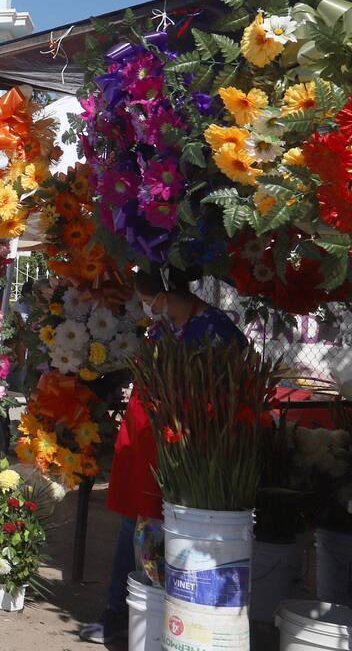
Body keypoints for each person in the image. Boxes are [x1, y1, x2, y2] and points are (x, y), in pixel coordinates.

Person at [80, 266, 245, 644]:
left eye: (148, 301)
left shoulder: (217, 329)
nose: (148, 309)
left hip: (192, 454)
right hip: (149, 446)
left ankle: (171, 620)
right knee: (134, 527)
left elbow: (231, 385)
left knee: (177, 533)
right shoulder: (159, 331)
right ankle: (120, 614)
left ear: (166, 295)